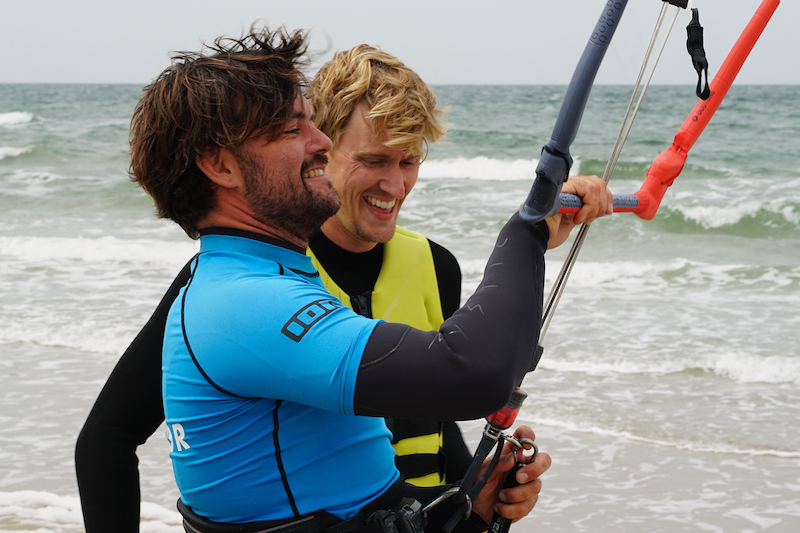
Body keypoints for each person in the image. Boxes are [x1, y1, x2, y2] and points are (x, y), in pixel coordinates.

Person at [76, 26, 610, 533]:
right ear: (221, 167)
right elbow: (472, 374)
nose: (321, 142)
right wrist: (526, 234)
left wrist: (468, 505)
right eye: (294, 128)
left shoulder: (277, 278)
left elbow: (355, 502)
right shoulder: (242, 304)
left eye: (312, 122)